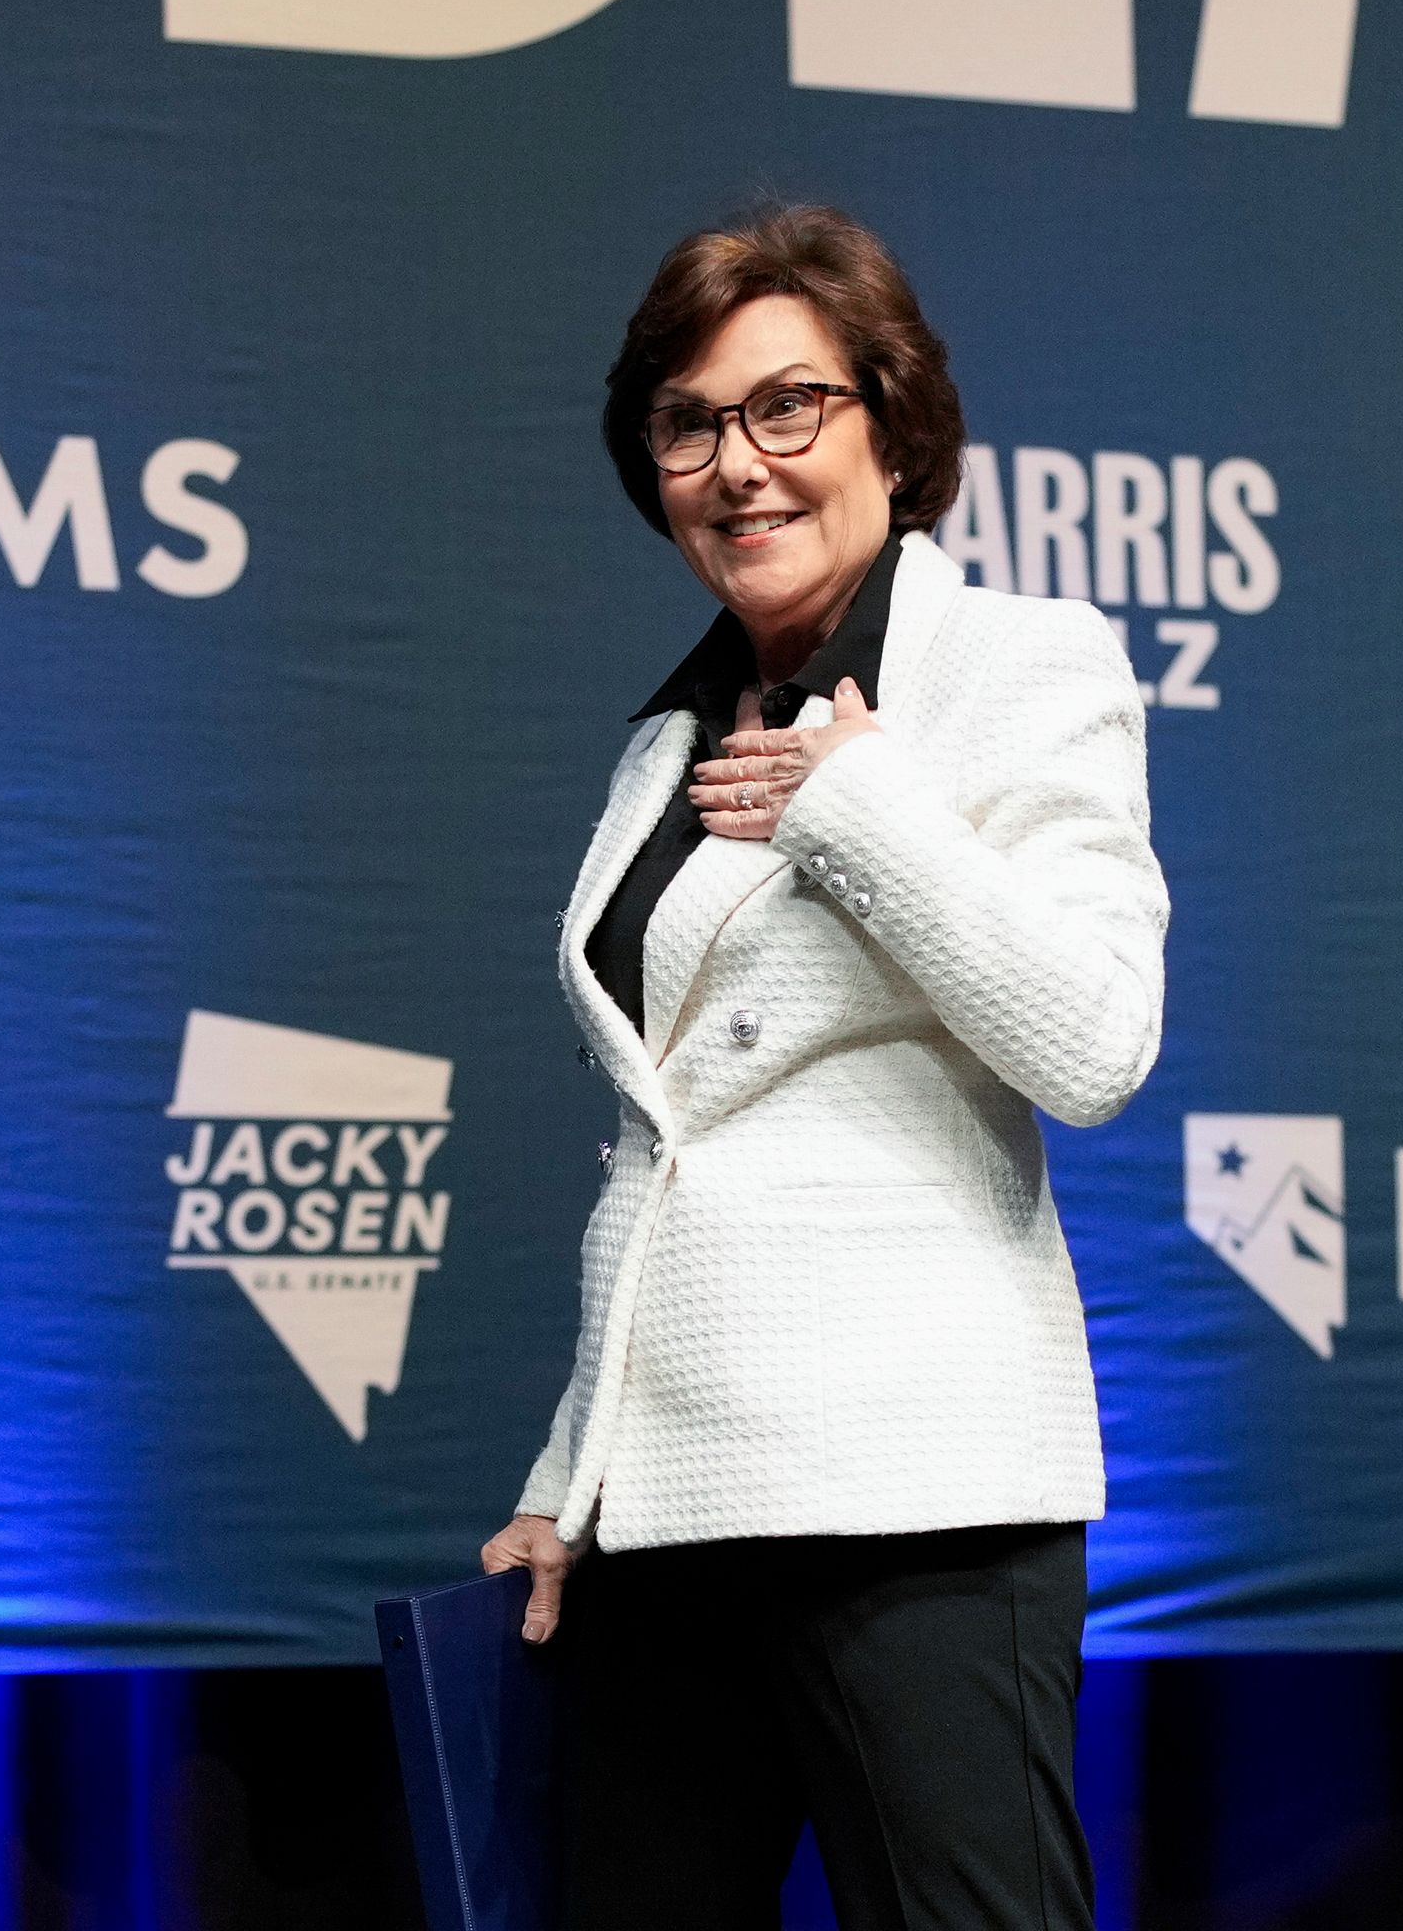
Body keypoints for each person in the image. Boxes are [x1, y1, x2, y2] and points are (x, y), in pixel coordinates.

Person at [478, 203, 1168, 1931]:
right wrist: (575, 1477)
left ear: (895, 422)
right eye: (689, 424)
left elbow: (1095, 1041)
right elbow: (671, 1148)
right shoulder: (669, 733)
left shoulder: (1023, 665)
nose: (738, 464)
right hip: (672, 1512)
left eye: (790, 406)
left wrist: (855, 806)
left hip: (912, 1499)